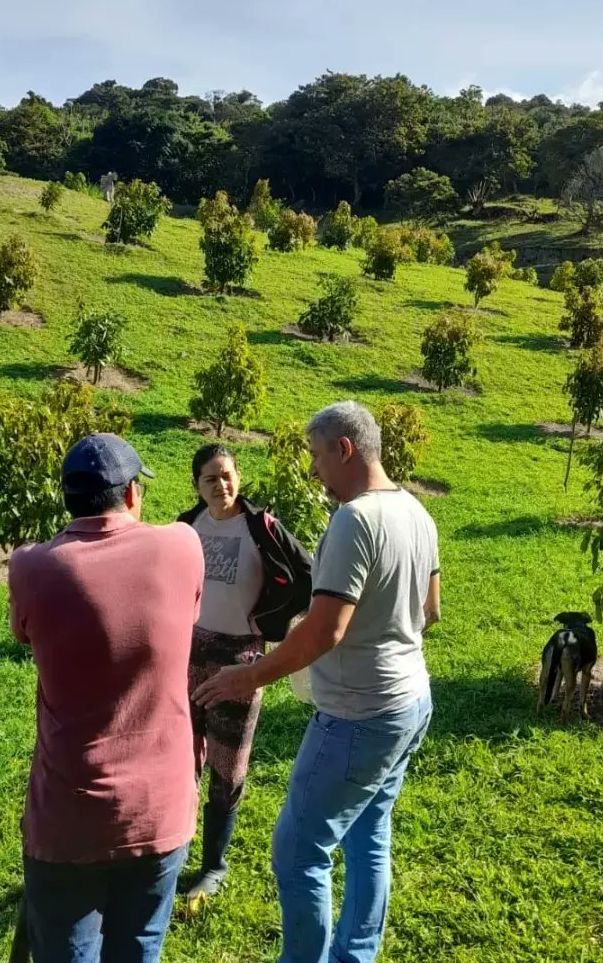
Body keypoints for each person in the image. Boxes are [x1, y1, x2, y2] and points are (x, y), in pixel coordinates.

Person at [194, 402, 440, 963]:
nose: (313, 470)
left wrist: (248, 675)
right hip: (410, 700)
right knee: (368, 835)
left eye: (316, 456)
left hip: (359, 713)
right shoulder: (416, 513)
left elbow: (327, 630)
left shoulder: (355, 520)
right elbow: (431, 611)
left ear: (345, 450)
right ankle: (356, 954)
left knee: (299, 849)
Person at [9, 433, 205, 963]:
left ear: (66, 499)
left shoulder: (30, 566)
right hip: (160, 810)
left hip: (70, 817)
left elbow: (22, 633)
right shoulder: (183, 546)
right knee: (140, 948)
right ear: (133, 495)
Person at [176, 444, 312, 904]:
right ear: (196, 484)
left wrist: (272, 622)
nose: (222, 486)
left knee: (227, 766)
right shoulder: (184, 528)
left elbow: (308, 576)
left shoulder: (263, 529)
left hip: (241, 659)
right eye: (211, 479)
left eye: (229, 475)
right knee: (178, 759)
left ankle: (213, 865)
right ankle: (173, 849)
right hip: (186, 654)